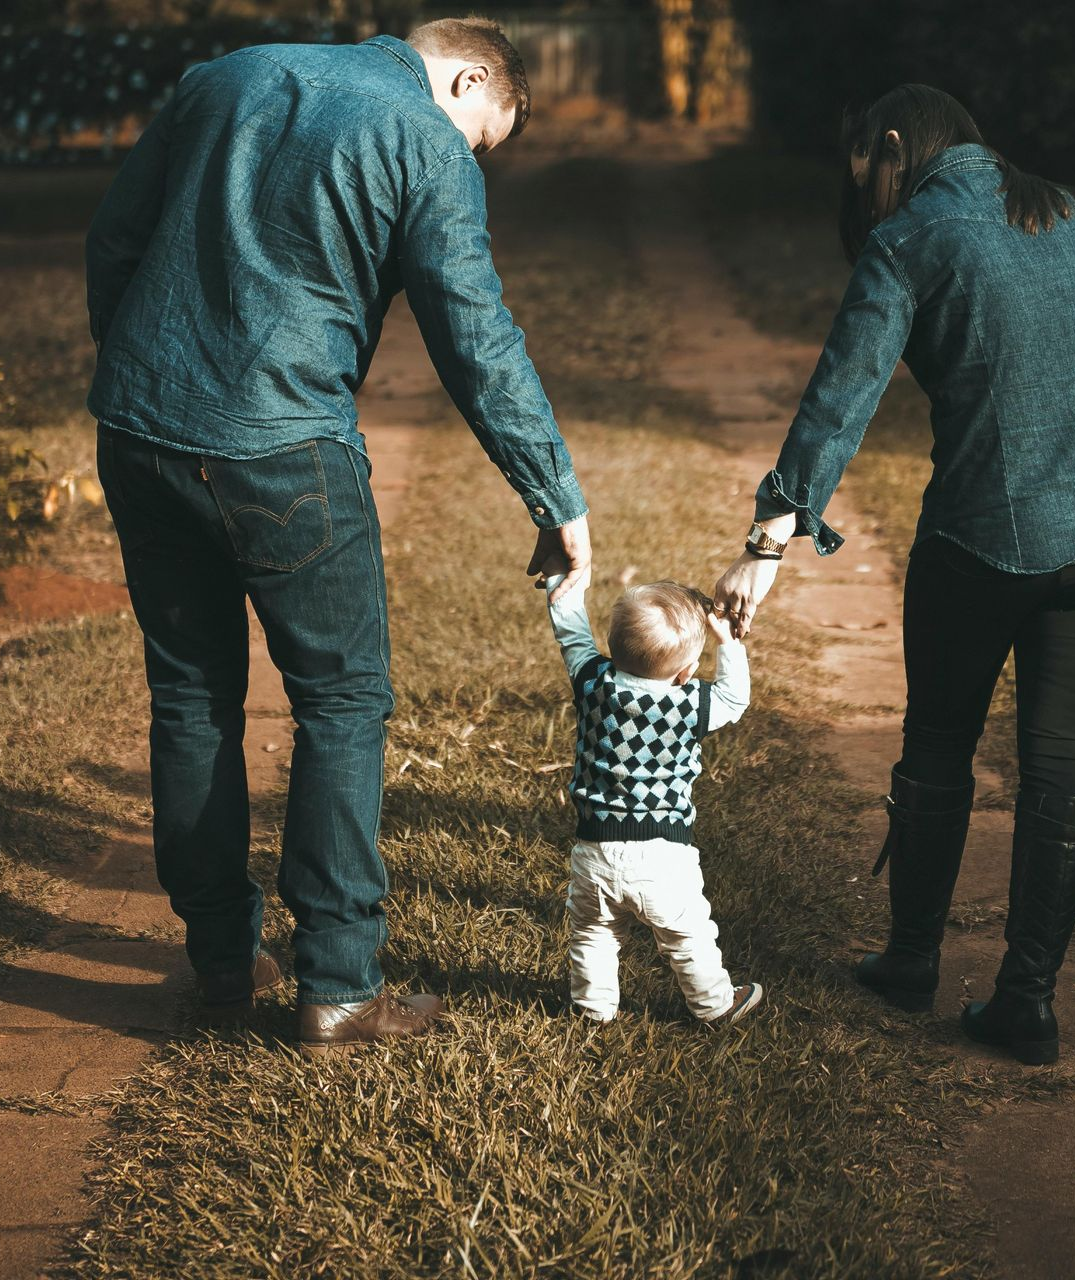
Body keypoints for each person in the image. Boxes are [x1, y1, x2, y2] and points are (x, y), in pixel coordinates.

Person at [86, 17, 592, 1056]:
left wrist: (145, 380)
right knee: (342, 700)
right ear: (463, 76)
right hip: (284, 448)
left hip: (139, 430)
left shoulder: (221, 75)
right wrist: (553, 495)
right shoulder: (423, 139)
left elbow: (114, 238)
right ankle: (341, 986)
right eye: (481, 135)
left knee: (191, 692)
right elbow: (474, 336)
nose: (471, 156)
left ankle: (223, 959)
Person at [714, 84, 1075, 1065]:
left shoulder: (910, 238)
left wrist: (765, 546)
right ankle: (1026, 1001)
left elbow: (835, 404)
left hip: (980, 542)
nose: (872, 197)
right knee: (1058, 761)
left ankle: (908, 961)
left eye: (870, 175)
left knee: (938, 743)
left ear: (894, 146)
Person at [545, 574, 763, 1025]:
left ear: (612, 646)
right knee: (687, 937)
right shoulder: (691, 704)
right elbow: (735, 698)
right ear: (685, 673)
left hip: (594, 851)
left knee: (593, 934)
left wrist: (563, 580)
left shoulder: (593, 683)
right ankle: (715, 1006)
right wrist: (727, 643)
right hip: (664, 857)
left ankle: (592, 1009)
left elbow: (570, 635)